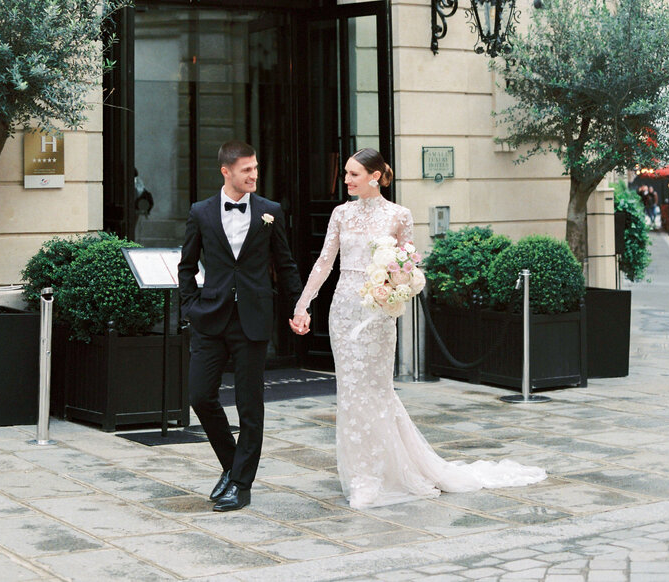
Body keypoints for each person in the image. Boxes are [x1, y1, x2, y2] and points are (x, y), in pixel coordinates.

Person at [293, 148, 546, 510]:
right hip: (344, 309)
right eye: (346, 174)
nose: (345, 180)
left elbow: (410, 264)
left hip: (378, 312)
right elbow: (323, 262)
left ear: (374, 177)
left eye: (352, 174)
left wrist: (396, 283)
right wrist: (303, 304)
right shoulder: (341, 214)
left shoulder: (400, 215)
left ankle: (378, 476)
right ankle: (360, 474)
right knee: (350, 390)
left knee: (376, 389)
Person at [178, 140, 309, 512]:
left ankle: (241, 484)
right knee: (200, 397)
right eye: (246, 170)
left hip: (253, 319)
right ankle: (233, 466)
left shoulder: (270, 211)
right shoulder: (200, 212)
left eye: (255, 168)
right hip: (210, 318)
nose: (254, 175)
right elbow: (186, 266)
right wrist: (190, 308)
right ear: (226, 171)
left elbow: (285, 265)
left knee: (249, 405)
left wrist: (299, 307)